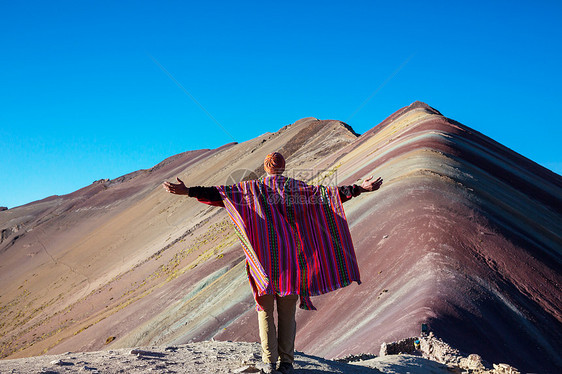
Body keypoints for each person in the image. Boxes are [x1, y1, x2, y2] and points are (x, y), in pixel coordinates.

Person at [163, 152, 382, 374]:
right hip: (292, 265)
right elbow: (328, 195)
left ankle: (269, 363)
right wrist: (359, 188)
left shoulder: (249, 190)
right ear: (283, 167)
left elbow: (218, 194)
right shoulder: (297, 188)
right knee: (287, 314)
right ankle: (286, 362)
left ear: (265, 167)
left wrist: (188, 191)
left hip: (263, 264)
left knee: (265, 311)